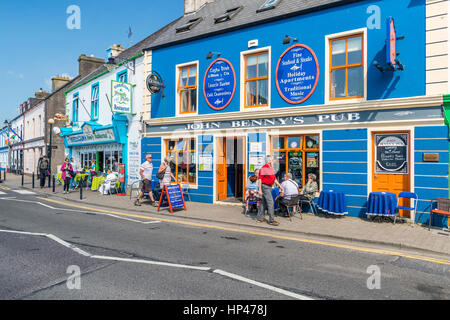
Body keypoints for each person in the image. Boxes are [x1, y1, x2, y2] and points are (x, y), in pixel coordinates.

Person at [257, 155, 283, 226]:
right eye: (272, 160)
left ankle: (260, 218)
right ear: (269, 161)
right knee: (271, 202)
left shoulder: (270, 168)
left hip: (269, 187)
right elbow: (260, 179)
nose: (273, 161)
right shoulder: (264, 168)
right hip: (265, 187)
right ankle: (271, 220)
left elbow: (274, 178)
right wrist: (260, 190)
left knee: (263, 202)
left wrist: (280, 185)